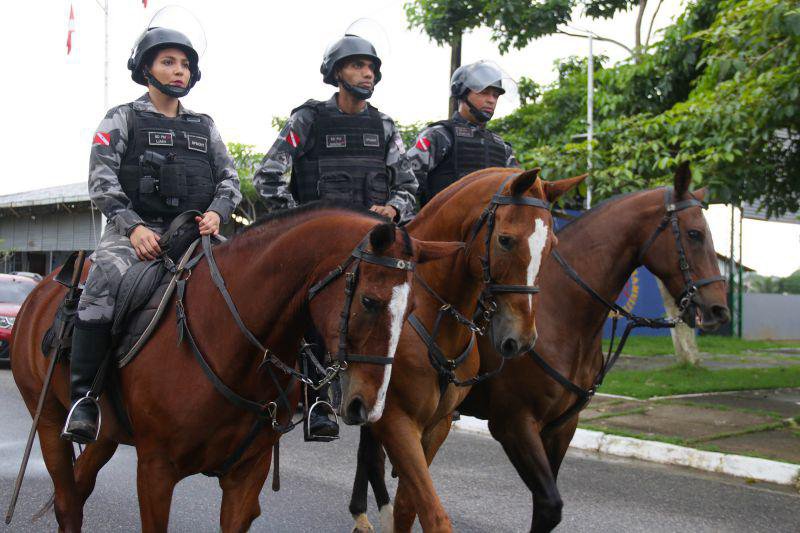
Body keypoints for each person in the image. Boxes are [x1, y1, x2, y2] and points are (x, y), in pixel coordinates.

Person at [61, 27, 241, 444]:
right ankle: (83, 399)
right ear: (146, 68)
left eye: (185, 64)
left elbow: (229, 178)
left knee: (254, 279)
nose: (179, 71)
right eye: (168, 62)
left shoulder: (204, 125)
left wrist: (218, 212)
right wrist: (133, 226)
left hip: (195, 232)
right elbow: (101, 181)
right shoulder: (121, 117)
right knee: (100, 285)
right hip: (135, 234)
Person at [253, 34, 417, 438]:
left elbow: (410, 187)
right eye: (358, 65)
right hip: (320, 252)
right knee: (304, 310)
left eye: (372, 67)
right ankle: (318, 401)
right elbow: (267, 177)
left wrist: (394, 209)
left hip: (371, 248)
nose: (368, 73)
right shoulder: (308, 120)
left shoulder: (383, 125)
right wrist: (303, 225)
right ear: (337, 72)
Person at [408, 60, 518, 206]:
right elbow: (405, 181)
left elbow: (517, 191)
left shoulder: (502, 147)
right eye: (483, 92)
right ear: (461, 93)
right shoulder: (440, 135)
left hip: (490, 227)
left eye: (495, 95)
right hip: (444, 226)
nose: (491, 100)